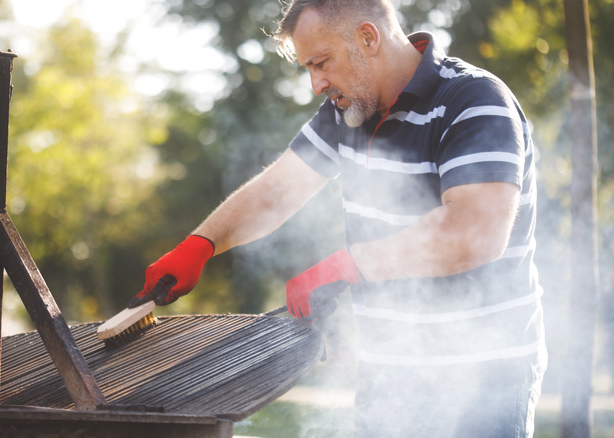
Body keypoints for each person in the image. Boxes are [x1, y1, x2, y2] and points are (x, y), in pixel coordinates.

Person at [128, 0, 546, 436]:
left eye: (321, 63)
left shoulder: (475, 100)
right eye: (308, 68)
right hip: (389, 374)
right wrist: (200, 246)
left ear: (368, 38)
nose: (315, 84)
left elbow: (475, 231)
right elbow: (276, 190)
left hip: (482, 380)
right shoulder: (349, 111)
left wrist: (347, 265)